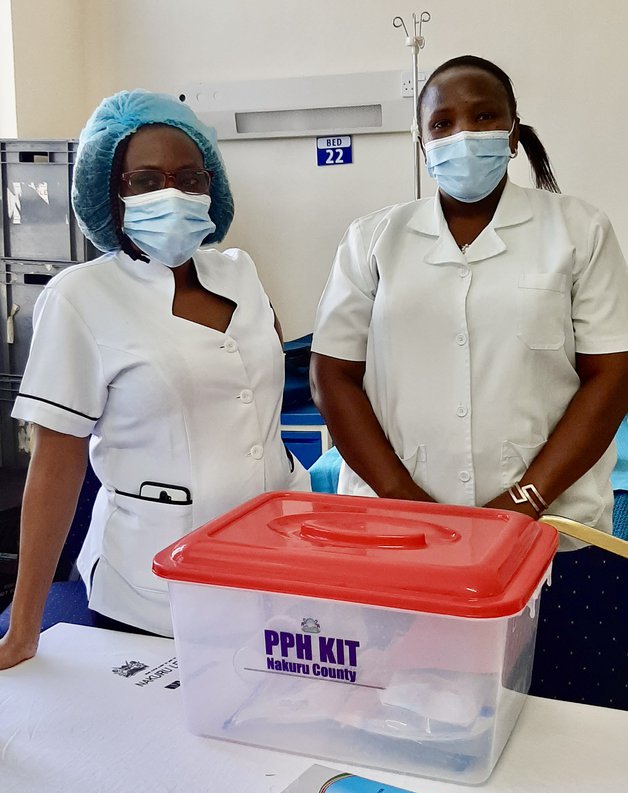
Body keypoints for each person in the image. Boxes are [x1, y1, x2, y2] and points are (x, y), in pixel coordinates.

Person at [0, 89, 309, 669]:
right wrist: (24, 629)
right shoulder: (81, 298)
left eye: (190, 177)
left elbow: (257, 397)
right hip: (155, 592)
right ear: (110, 195)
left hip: (277, 564)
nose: (172, 193)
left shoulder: (240, 272)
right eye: (144, 180)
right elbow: (54, 465)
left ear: (211, 185)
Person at [310, 55, 628, 535]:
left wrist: (525, 501)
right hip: (396, 523)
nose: (463, 134)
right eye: (442, 123)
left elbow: (610, 378)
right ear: (424, 144)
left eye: (484, 116)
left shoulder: (580, 231)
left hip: (552, 520)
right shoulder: (371, 239)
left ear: (513, 134)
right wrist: (405, 499)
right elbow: (332, 376)